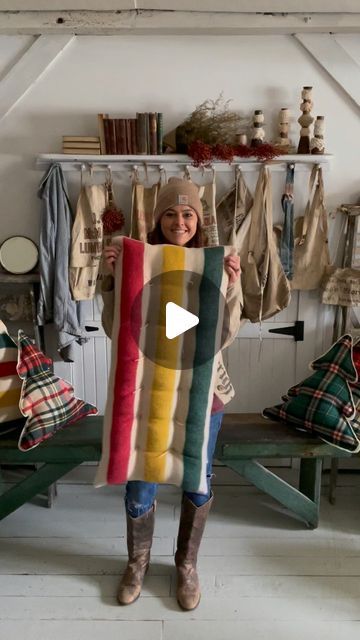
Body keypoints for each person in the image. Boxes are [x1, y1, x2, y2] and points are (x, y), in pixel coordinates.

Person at [101, 177, 241, 610]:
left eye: (188, 214)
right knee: (142, 475)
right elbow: (116, 330)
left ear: (198, 221)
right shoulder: (141, 264)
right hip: (148, 388)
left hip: (203, 389)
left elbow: (224, 334)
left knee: (197, 479)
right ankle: (137, 562)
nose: (179, 221)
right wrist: (114, 279)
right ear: (158, 219)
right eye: (170, 213)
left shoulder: (211, 262)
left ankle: (186, 565)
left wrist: (229, 286)